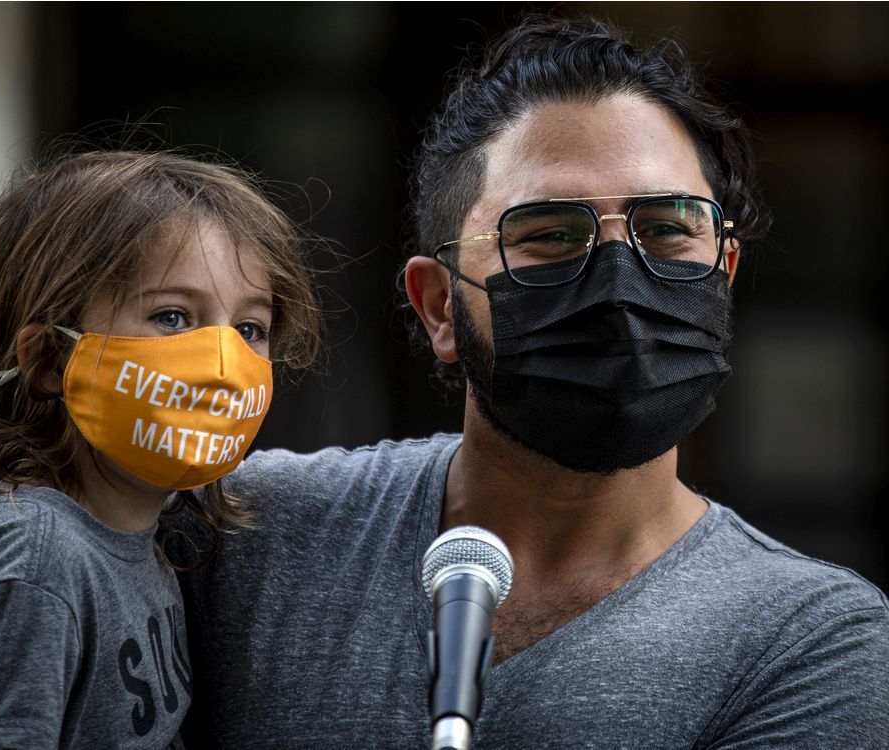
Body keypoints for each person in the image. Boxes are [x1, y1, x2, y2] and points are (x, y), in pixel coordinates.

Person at [168, 17, 889, 748]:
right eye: (550, 233)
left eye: (669, 227)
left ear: (722, 274)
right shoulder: (247, 531)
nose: (619, 279)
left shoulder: (810, 641)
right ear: (441, 306)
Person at [0, 150, 321, 749]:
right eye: (172, 317)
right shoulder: (35, 564)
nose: (225, 365)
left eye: (250, 329)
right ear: (48, 361)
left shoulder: (137, 541)